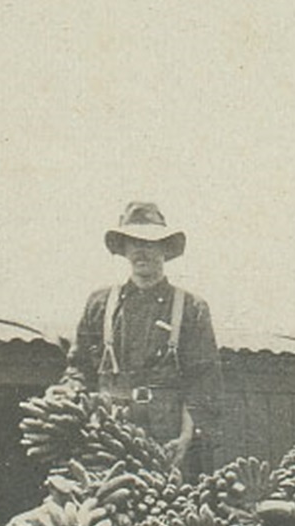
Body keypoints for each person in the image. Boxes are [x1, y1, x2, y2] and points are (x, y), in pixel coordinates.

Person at [68, 202, 223, 474]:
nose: (141, 250)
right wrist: (68, 397)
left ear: (165, 249)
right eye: (134, 242)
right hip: (108, 431)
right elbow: (78, 368)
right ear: (124, 249)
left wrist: (187, 436)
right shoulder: (100, 304)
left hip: (168, 434)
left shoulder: (191, 308)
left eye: (151, 243)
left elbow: (203, 381)